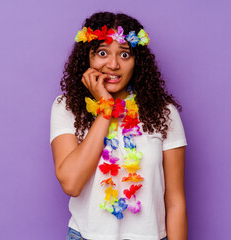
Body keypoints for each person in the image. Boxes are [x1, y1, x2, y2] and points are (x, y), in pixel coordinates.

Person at [50, 11, 188, 240]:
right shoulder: (66, 107)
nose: (113, 64)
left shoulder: (164, 113)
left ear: (137, 62)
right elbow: (72, 184)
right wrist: (106, 109)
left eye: (124, 54)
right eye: (102, 53)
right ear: (88, 57)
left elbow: (175, 202)